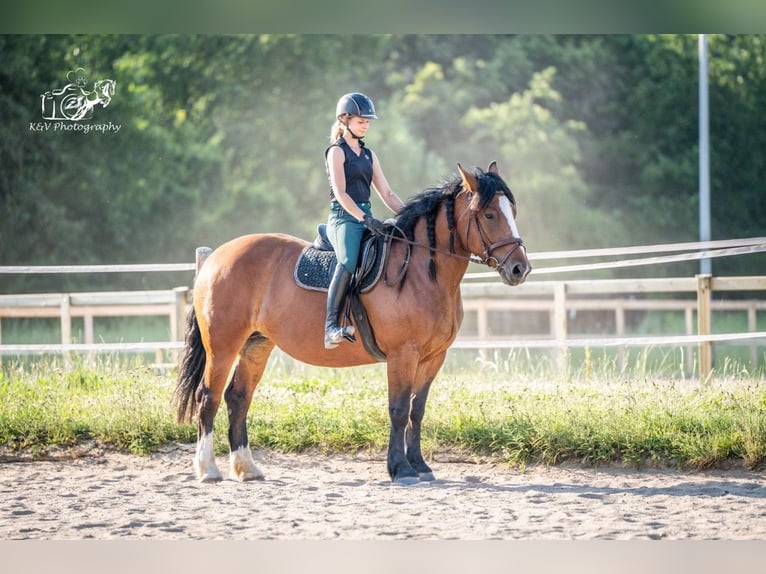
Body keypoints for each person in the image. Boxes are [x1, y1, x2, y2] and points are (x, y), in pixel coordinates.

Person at [323, 92, 406, 349]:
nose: (366, 125)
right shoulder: (337, 152)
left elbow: (388, 194)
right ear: (344, 120)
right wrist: (363, 218)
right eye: (361, 121)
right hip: (344, 217)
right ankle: (330, 327)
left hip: (366, 215)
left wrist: (413, 215)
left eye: (368, 122)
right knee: (348, 259)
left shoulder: (369, 155)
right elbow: (340, 192)